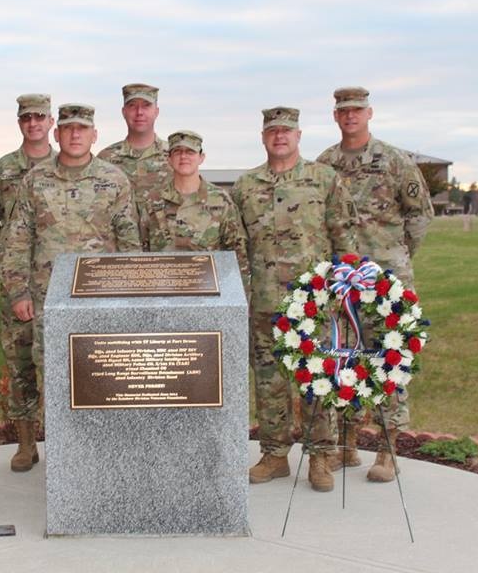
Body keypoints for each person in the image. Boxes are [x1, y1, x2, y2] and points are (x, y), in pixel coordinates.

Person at [0, 103, 142, 470]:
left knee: (102, 376)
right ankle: (59, 456)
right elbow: (17, 240)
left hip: (101, 301)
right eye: (68, 128)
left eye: (82, 128)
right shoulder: (36, 181)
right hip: (48, 299)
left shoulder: (114, 179)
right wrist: (18, 291)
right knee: (54, 376)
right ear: (57, 133)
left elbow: (129, 241)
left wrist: (131, 296)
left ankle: (100, 452)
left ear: (95, 135)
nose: (75, 134)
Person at [232, 107, 357, 492]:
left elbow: (345, 236)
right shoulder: (246, 186)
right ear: (263, 137)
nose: (279, 136)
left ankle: (320, 457)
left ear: (298, 136)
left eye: (286, 131)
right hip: (264, 301)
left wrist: (343, 289)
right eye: (273, 131)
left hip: (312, 302)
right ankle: (274, 455)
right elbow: (236, 244)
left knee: (316, 378)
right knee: (269, 382)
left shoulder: (324, 179)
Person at [317, 86, 434, 483]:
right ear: (335, 116)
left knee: (388, 357)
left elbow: (420, 215)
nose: (350, 116)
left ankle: (387, 449)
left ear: (369, 113)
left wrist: (396, 256)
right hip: (342, 278)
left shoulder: (395, 161)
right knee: (343, 356)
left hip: (385, 280)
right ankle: (347, 445)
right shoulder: (326, 164)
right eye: (343, 111)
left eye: (357, 110)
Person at [0, 94, 55, 472]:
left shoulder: (66, 167)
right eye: (27, 118)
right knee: (20, 362)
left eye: (40, 117)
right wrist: (13, 265)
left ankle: (64, 442)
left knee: (62, 363)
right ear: (20, 123)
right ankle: (26, 444)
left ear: (51, 122)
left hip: (59, 285)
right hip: (19, 285)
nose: (33, 123)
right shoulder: (4, 169)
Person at [139, 130, 249, 284]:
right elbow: (141, 253)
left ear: (201, 158)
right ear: (169, 159)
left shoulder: (220, 200)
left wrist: (237, 294)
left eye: (190, 152)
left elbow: (237, 255)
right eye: (177, 151)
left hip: (209, 290)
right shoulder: (153, 201)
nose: (183, 156)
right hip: (163, 291)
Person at [97, 83, 171, 210]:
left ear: (156, 111)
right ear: (124, 112)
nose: (139, 112)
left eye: (146, 105)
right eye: (132, 106)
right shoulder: (105, 159)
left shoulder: (175, 156)